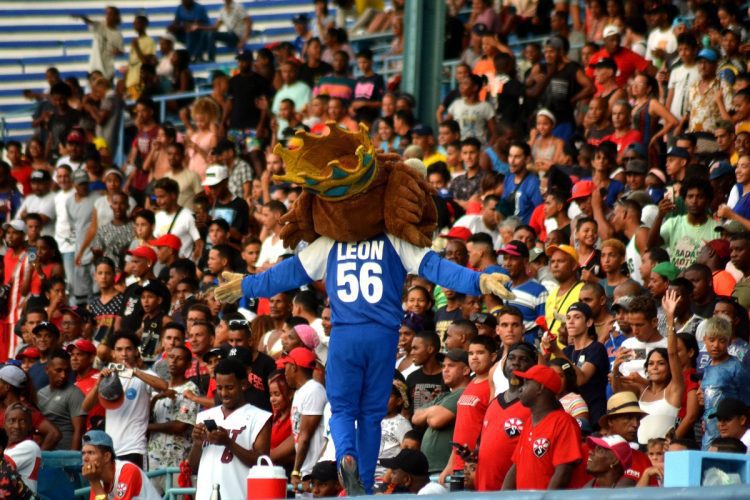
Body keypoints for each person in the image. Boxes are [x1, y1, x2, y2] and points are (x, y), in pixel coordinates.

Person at [81, 332, 168, 469]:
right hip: (110, 449)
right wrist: (98, 384)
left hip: (135, 448)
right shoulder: (108, 377)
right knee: (111, 490)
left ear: (136, 352)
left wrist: (135, 372)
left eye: (129, 349)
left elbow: (164, 386)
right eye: (119, 349)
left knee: (132, 490)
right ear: (113, 353)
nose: (124, 353)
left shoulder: (145, 376)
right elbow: (86, 407)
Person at [189, 357, 271, 499]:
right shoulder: (205, 416)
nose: (224, 393)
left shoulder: (259, 417)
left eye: (230, 387)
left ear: (244, 384)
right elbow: (193, 467)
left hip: (239, 495)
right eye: (220, 388)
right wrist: (197, 443)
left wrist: (228, 442)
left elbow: (262, 463)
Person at [502, 365, 584, 490]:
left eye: (527, 383)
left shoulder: (564, 422)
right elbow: (516, 466)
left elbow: (563, 472)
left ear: (540, 387)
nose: (520, 389)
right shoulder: (529, 421)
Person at [475, 343, 536, 491]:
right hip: (485, 489)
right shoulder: (494, 402)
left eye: (523, 359)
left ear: (533, 366)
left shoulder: (536, 404)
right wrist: (473, 455)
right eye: (511, 358)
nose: (515, 362)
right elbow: (483, 446)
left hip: (516, 492)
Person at [543, 302, 609, 426]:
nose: (570, 321)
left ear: (589, 323)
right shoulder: (567, 351)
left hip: (593, 414)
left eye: (577, 317)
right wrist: (545, 355)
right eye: (568, 318)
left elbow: (580, 379)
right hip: (570, 412)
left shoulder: (597, 348)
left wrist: (556, 351)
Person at [147, 346, 199, 487]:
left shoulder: (190, 389)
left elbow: (180, 425)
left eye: (180, 358)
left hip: (177, 461)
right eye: (171, 357)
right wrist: (156, 398)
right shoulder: (158, 388)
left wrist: (149, 427)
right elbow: (146, 420)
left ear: (188, 364)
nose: (173, 361)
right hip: (153, 461)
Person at [413, 349, 469, 475]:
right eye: (444, 366)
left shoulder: (464, 393)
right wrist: (433, 411)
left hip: (446, 469)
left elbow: (436, 421)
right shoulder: (443, 396)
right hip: (433, 469)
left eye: (451, 366)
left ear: (466, 370)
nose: (445, 370)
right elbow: (415, 417)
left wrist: (429, 412)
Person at [277, 347, 327, 487]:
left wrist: (295, 472)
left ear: (294, 367)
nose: (284, 372)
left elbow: (305, 437)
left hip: (313, 473)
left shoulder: (314, 390)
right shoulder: (301, 392)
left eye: (286, 366)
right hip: (306, 471)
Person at [700, 316, 750, 449]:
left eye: (721, 341)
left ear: (729, 342)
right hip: (709, 437)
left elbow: (747, 402)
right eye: (711, 340)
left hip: (730, 439)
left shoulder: (736, 367)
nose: (716, 345)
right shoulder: (708, 367)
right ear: (705, 339)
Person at [81, 429, 161, 500]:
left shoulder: (127, 470)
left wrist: (94, 482)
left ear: (106, 457)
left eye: (90, 453)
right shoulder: (97, 479)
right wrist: (95, 482)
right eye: (83, 453)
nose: (85, 458)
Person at [37, 348, 86, 450]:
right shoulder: (40, 394)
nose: (63, 375)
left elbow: (79, 430)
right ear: (47, 370)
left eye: (67, 371)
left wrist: (72, 458)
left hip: (64, 456)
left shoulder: (75, 394)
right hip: (44, 453)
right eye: (58, 370)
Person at [74, 7, 124, 81]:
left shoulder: (118, 34)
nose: (108, 16)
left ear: (116, 16)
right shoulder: (100, 25)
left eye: (110, 14)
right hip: (94, 66)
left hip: (107, 68)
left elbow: (121, 51)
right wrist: (83, 18)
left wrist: (117, 52)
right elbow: (90, 22)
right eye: (107, 14)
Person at [3, 403, 42, 494]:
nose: (17, 426)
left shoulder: (29, 446)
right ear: (4, 425)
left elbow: (2, 469)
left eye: (22, 421)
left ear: (29, 426)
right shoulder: (7, 449)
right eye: (12, 421)